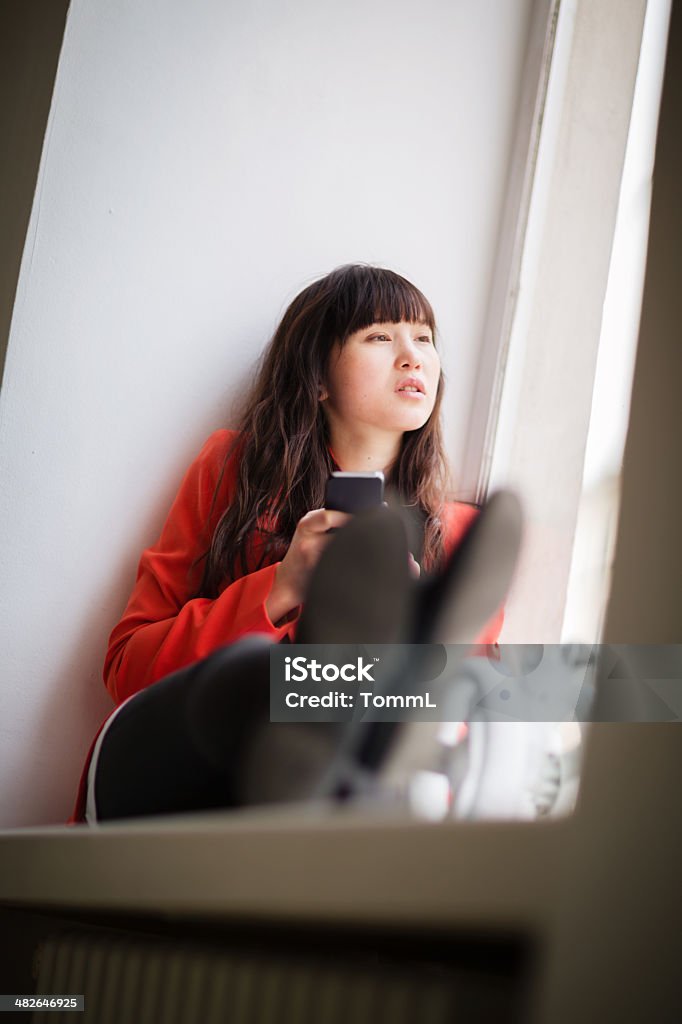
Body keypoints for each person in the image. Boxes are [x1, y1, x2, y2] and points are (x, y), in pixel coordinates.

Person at [71, 264, 504, 823]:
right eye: (380, 336)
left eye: (424, 338)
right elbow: (128, 667)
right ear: (318, 378)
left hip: (347, 809)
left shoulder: (460, 535)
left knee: (446, 698)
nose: (413, 357)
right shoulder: (235, 471)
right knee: (256, 670)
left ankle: (378, 679)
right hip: (185, 779)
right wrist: (280, 587)